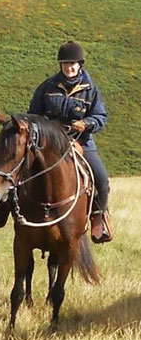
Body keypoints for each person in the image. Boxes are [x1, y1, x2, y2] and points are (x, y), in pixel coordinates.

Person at [28, 41, 111, 243]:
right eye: (65, 63)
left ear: (80, 64)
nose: (69, 67)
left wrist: (86, 123)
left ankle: (98, 217)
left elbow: (101, 116)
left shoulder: (91, 89)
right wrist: (46, 127)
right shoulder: (47, 87)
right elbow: (33, 114)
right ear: (60, 65)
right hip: (50, 143)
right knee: (21, 169)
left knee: (102, 178)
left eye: (72, 63)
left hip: (81, 142)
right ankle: (5, 210)